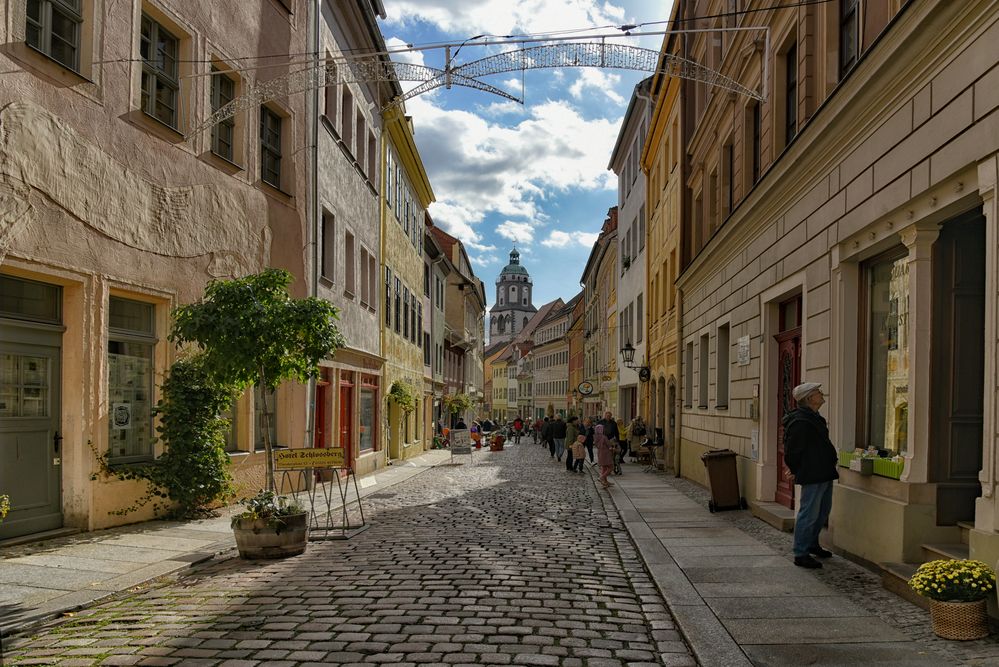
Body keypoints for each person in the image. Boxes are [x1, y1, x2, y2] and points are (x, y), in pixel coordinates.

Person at [783, 382, 839, 569]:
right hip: (813, 472)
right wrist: (795, 469)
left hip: (823, 471)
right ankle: (801, 552)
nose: (821, 394)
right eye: (817, 392)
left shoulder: (814, 418)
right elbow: (792, 450)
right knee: (809, 513)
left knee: (822, 511)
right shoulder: (801, 422)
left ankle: (812, 544)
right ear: (809, 399)